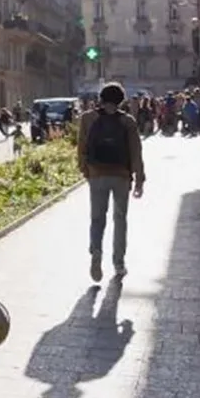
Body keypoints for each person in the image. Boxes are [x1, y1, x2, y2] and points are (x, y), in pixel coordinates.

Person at [77, 82, 146, 282]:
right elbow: (136, 152)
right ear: (121, 100)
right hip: (121, 176)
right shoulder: (128, 121)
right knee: (120, 219)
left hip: (97, 174)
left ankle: (96, 251)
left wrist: (86, 170)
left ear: (101, 98)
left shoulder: (87, 118)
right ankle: (119, 263)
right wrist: (139, 179)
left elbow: (81, 147)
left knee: (97, 219)